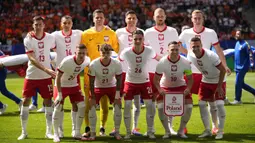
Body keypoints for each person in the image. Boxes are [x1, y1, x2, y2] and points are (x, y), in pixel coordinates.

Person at [179, 9, 231, 134]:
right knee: (186, 101)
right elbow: (177, 45)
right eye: (195, 18)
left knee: (211, 102)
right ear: (191, 19)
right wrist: (189, 54)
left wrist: (225, 65)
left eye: (199, 18)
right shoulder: (186, 33)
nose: (197, 20)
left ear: (203, 19)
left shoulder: (210, 32)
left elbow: (218, 50)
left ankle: (214, 126)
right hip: (191, 72)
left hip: (205, 72)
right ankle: (183, 127)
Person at [80, 9, 119, 137]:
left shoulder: (111, 33)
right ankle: (88, 128)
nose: (99, 19)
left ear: (104, 19)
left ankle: (102, 127)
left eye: (101, 17)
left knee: (104, 103)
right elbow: (82, 52)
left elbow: (116, 51)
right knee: (89, 102)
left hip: (106, 74)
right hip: (89, 73)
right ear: (93, 19)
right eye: (97, 17)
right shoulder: (85, 34)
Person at [18, 16, 56, 140]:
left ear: (44, 25)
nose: (38, 26)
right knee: (25, 101)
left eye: (40, 24)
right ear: (33, 26)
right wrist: (47, 69)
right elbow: (32, 59)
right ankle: (24, 132)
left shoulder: (51, 38)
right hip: (32, 75)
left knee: (48, 102)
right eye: (36, 24)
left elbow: (58, 49)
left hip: (46, 77)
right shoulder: (28, 39)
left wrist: (56, 66)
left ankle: (48, 132)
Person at [119, 30, 161, 139]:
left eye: (140, 39)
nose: (137, 41)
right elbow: (118, 61)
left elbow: (159, 59)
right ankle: (128, 132)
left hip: (144, 82)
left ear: (143, 40)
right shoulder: (126, 52)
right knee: (127, 106)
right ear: (132, 40)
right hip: (130, 82)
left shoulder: (149, 50)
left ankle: (150, 131)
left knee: (150, 106)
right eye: (135, 39)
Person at [144, 8, 179, 135]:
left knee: (169, 100)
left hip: (169, 70)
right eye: (158, 15)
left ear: (165, 17)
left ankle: (170, 127)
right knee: (151, 100)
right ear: (153, 17)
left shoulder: (172, 31)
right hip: (151, 70)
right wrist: (157, 57)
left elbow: (177, 48)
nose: (160, 17)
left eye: (162, 15)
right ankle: (151, 129)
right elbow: (145, 50)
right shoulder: (147, 32)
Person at [187, 37, 226, 140]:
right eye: (193, 46)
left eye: (197, 46)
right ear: (190, 47)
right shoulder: (190, 55)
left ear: (201, 46)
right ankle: (207, 130)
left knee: (220, 104)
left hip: (219, 80)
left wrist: (219, 87)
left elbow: (223, 70)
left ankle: (220, 131)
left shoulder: (211, 55)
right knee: (201, 104)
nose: (195, 48)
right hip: (206, 79)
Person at [154, 41, 193, 139]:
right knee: (160, 107)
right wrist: (159, 89)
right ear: (167, 50)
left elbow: (190, 79)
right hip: (165, 87)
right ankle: (167, 131)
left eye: (176, 49)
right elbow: (156, 80)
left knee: (189, 107)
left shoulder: (185, 62)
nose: (175, 52)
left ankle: (181, 131)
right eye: (172, 50)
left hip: (180, 86)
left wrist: (188, 88)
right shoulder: (162, 62)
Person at [113, 10, 143, 136]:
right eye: (129, 18)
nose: (131, 20)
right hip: (121, 71)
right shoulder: (118, 32)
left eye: (133, 18)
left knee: (136, 101)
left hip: (135, 72)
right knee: (118, 100)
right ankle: (116, 128)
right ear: (125, 19)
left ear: (136, 20)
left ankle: (135, 127)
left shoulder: (142, 32)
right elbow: (114, 49)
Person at [84, 44, 122, 140]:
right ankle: (93, 133)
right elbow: (91, 82)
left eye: (108, 52)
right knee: (91, 106)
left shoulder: (116, 63)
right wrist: (92, 95)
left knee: (118, 106)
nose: (105, 55)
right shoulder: (94, 64)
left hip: (111, 86)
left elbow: (119, 79)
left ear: (111, 52)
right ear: (100, 52)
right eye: (103, 52)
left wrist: (117, 94)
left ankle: (117, 132)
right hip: (98, 87)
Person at [52, 44, 90, 142]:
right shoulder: (67, 61)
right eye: (79, 53)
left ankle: (76, 131)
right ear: (75, 53)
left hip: (73, 85)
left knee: (81, 106)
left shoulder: (87, 60)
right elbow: (58, 77)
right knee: (58, 107)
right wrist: (59, 94)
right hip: (61, 85)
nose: (81, 55)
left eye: (83, 53)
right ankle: (56, 134)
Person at [231, 29, 255, 104]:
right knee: (242, 84)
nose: (236, 35)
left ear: (242, 35)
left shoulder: (245, 44)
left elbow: (251, 54)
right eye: (236, 34)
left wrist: (251, 64)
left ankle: (237, 100)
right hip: (237, 67)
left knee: (237, 83)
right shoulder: (237, 43)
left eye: (238, 34)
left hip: (243, 67)